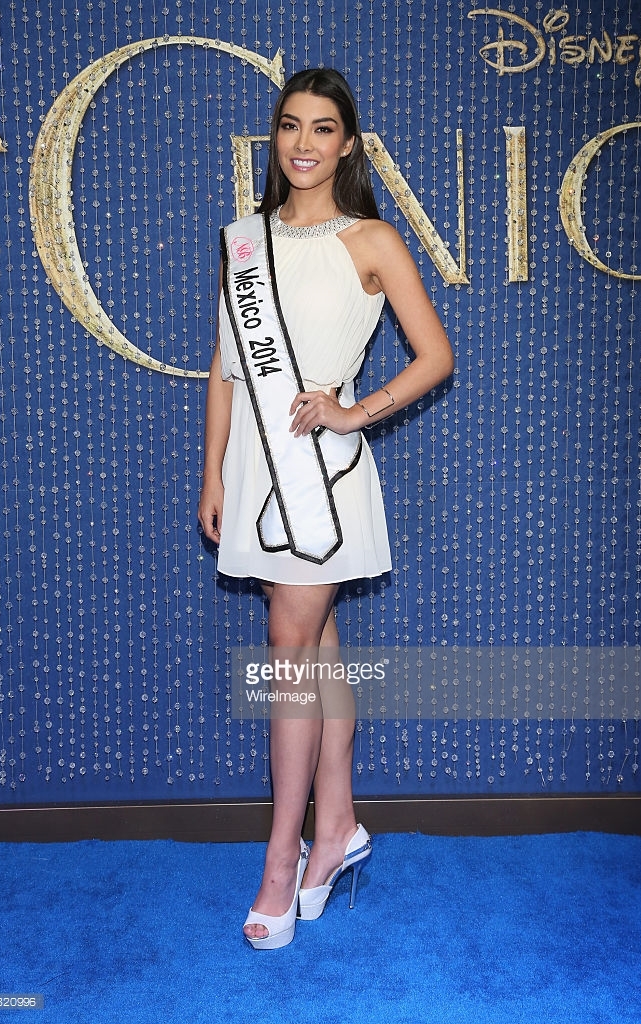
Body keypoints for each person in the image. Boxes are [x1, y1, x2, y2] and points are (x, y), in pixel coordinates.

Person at [197, 67, 454, 949]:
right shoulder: (243, 242)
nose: (302, 143)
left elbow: (434, 357)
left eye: (322, 128)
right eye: (289, 126)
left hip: (321, 474)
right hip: (255, 469)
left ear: (347, 145)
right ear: (273, 137)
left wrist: (353, 411)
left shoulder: (370, 239)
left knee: (287, 653)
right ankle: (336, 826)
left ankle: (280, 861)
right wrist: (212, 474)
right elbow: (226, 366)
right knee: (316, 649)